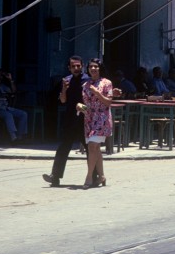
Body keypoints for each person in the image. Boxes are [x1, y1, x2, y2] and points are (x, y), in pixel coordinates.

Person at [43, 56, 87, 187]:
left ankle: (95, 175)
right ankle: (55, 176)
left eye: (78, 66)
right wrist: (64, 89)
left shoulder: (88, 81)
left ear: (82, 66)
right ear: (69, 68)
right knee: (63, 147)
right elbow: (63, 100)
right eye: (73, 66)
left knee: (90, 148)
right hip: (70, 118)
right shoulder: (66, 80)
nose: (76, 68)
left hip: (85, 118)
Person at [78, 58, 120, 188]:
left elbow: (108, 102)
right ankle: (101, 176)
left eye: (96, 66)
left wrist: (97, 93)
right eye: (91, 67)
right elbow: (86, 103)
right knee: (95, 148)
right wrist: (80, 106)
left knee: (92, 146)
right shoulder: (85, 85)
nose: (93, 69)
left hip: (101, 118)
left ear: (100, 68)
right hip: (89, 118)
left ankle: (89, 177)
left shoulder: (107, 83)